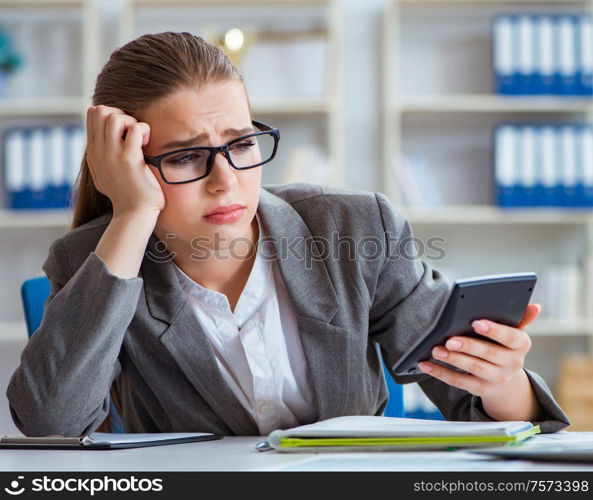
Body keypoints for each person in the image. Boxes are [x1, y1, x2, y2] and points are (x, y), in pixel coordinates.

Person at [6, 32, 569, 437]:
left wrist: (502, 382)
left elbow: (479, 407)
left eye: (241, 143)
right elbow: (49, 425)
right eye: (184, 157)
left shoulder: (353, 227)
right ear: (128, 167)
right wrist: (130, 220)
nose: (226, 182)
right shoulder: (96, 258)